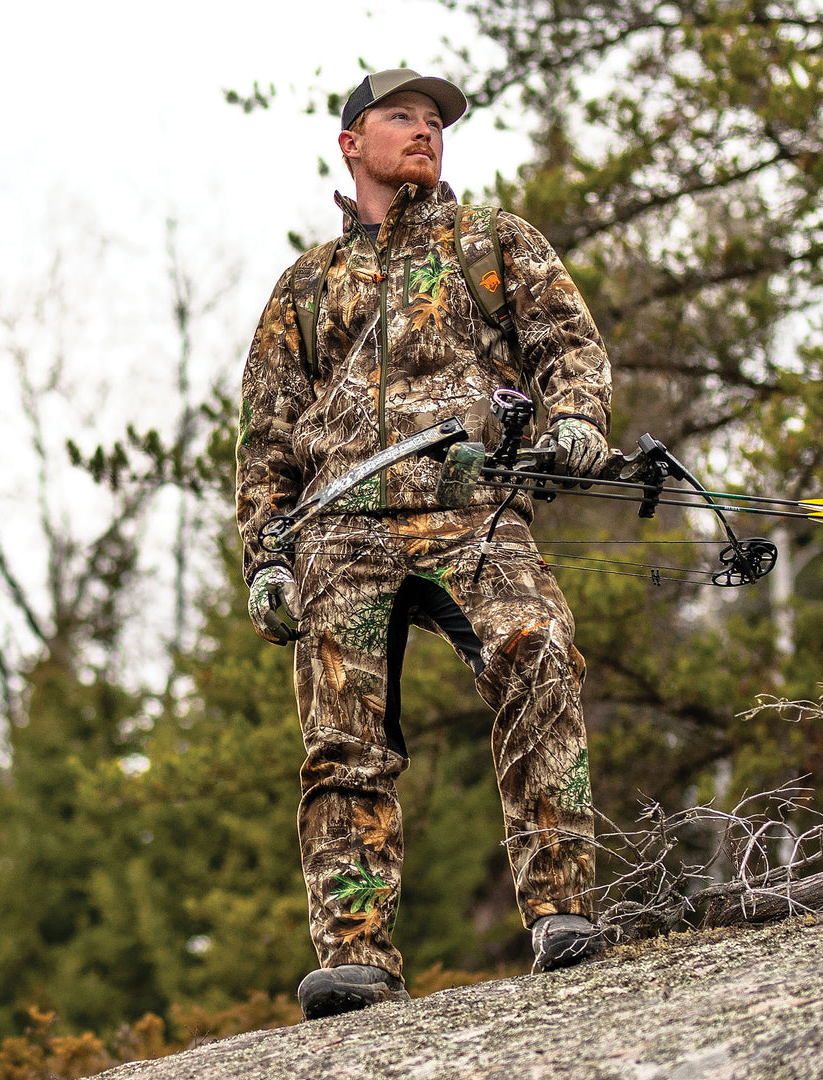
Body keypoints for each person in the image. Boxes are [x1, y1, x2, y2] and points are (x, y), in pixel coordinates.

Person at [235, 68, 612, 1021]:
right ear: (350, 143)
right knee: (343, 741)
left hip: (470, 510)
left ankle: (563, 911)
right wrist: (267, 557)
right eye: (400, 116)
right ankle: (356, 957)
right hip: (339, 534)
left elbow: (567, 344)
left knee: (540, 653)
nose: (425, 131)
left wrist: (575, 416)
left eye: (435, 119)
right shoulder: (305, 287)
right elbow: (267, 437)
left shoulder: (490, 240)